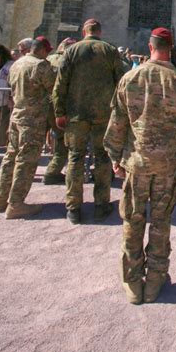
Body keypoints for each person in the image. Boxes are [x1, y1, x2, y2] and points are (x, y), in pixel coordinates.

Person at [104, 27, 176, 304]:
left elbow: (117, 124)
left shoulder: (130, 78)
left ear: (149, 45)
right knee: (161, 221)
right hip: (166, 163)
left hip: (136, 161)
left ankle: (133, 281)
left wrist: (114, 159)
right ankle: (155, 279)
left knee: (132, 219)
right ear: (172, 47)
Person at [52, 18, 125, 224]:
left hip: (76, 115)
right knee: (102, 158)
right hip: (103, 115)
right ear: (99, 32)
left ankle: (73, 208)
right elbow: (121, 82)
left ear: (84, 32)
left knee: (75, 158)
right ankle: (101, 205)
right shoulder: (110, 51)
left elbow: (60, 85)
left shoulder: (72, 51)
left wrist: (59, 112)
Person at [0, 37, 56, 218]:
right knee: (26, 161)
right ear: (41, 50)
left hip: (17, 117)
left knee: (10, 157)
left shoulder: (17, 64)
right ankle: (16, 204)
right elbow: (53, 88)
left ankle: (1, 199)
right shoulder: (40, 66)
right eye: (47, 51)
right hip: (32, 120)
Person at [43, 37, 77, 185]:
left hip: (42, 104)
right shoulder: (69, 61)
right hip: (59, 105)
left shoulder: (48, 59)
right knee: (63, 140)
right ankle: (53, 172)